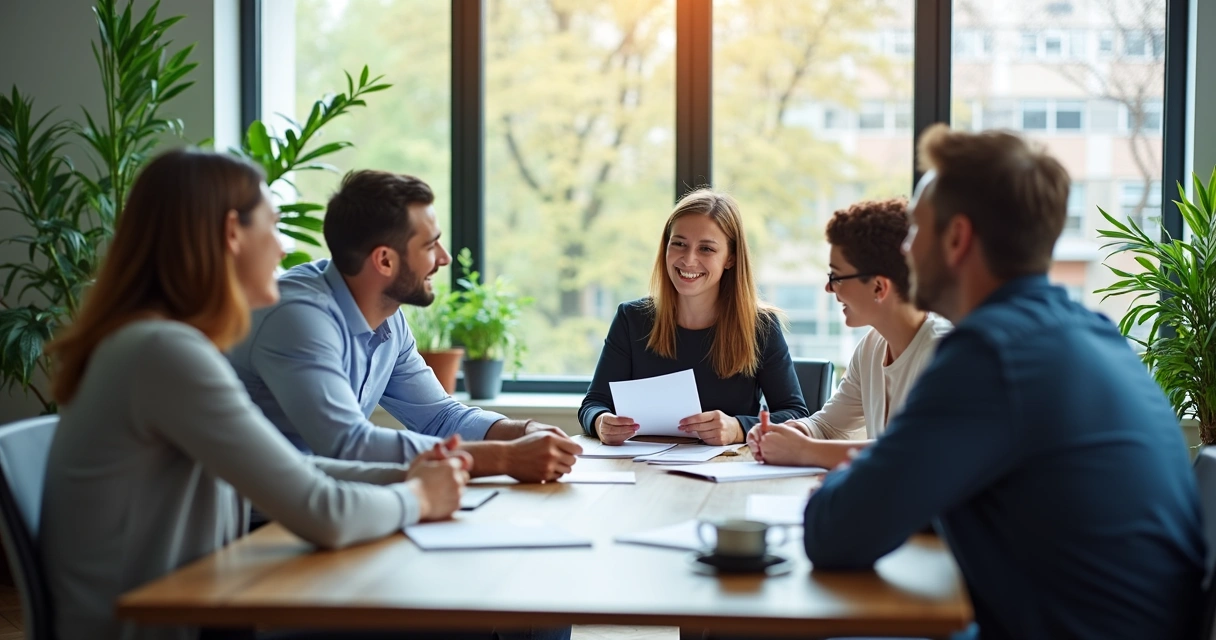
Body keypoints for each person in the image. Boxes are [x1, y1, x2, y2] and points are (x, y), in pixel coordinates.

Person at [40, 149, 470, 640]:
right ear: (231, 233)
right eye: (274, 224)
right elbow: (321, 511)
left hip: (201, 605)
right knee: (456, 623)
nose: (285, 248)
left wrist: (408, 474)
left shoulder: (159, 343)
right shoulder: (165, 354)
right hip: (162, 627)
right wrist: (419, 496)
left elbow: (293, 468)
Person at [802, 125, 1205, 639]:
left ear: (956, 238)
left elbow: (833, 533)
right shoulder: (1090, 333)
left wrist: (849, 480)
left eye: (914, 231)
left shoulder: (988, 355)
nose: (905, 249)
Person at [226, 170, 582, 482]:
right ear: (384, 260)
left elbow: (439, 417)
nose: (443, 258)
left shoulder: (388, 318)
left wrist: (522, 432)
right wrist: (506, 458)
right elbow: (347, 444)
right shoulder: (297, 316)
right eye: (430, 245)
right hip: (252, 525)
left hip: (318, 506)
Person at [579, 189, 809, 445]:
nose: (689, 259)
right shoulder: (631, 319)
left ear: (730, 258)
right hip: (641, 469)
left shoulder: (760, 327)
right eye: (679, 243)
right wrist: (601, 421)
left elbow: (796, 416)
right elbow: (594, 403)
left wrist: (737, 428)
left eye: (707, 249)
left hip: (725, 471)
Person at [747, 199, 951, 468]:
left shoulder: (944, 352)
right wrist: (790, 433)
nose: (829, 289)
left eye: (837, 277)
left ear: (879, 287)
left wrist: (805, 451)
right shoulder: (872, 346)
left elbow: (912, 450)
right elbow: (828, 426)